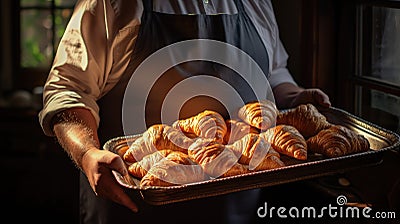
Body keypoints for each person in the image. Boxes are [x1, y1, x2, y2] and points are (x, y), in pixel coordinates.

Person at [39, 0, 331, 223]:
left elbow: (274, 71)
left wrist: (294, 96)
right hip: (135, 209)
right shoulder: (114, 5)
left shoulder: (255, 3)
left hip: (238, 209)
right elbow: (68, 89)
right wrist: (87, 152)